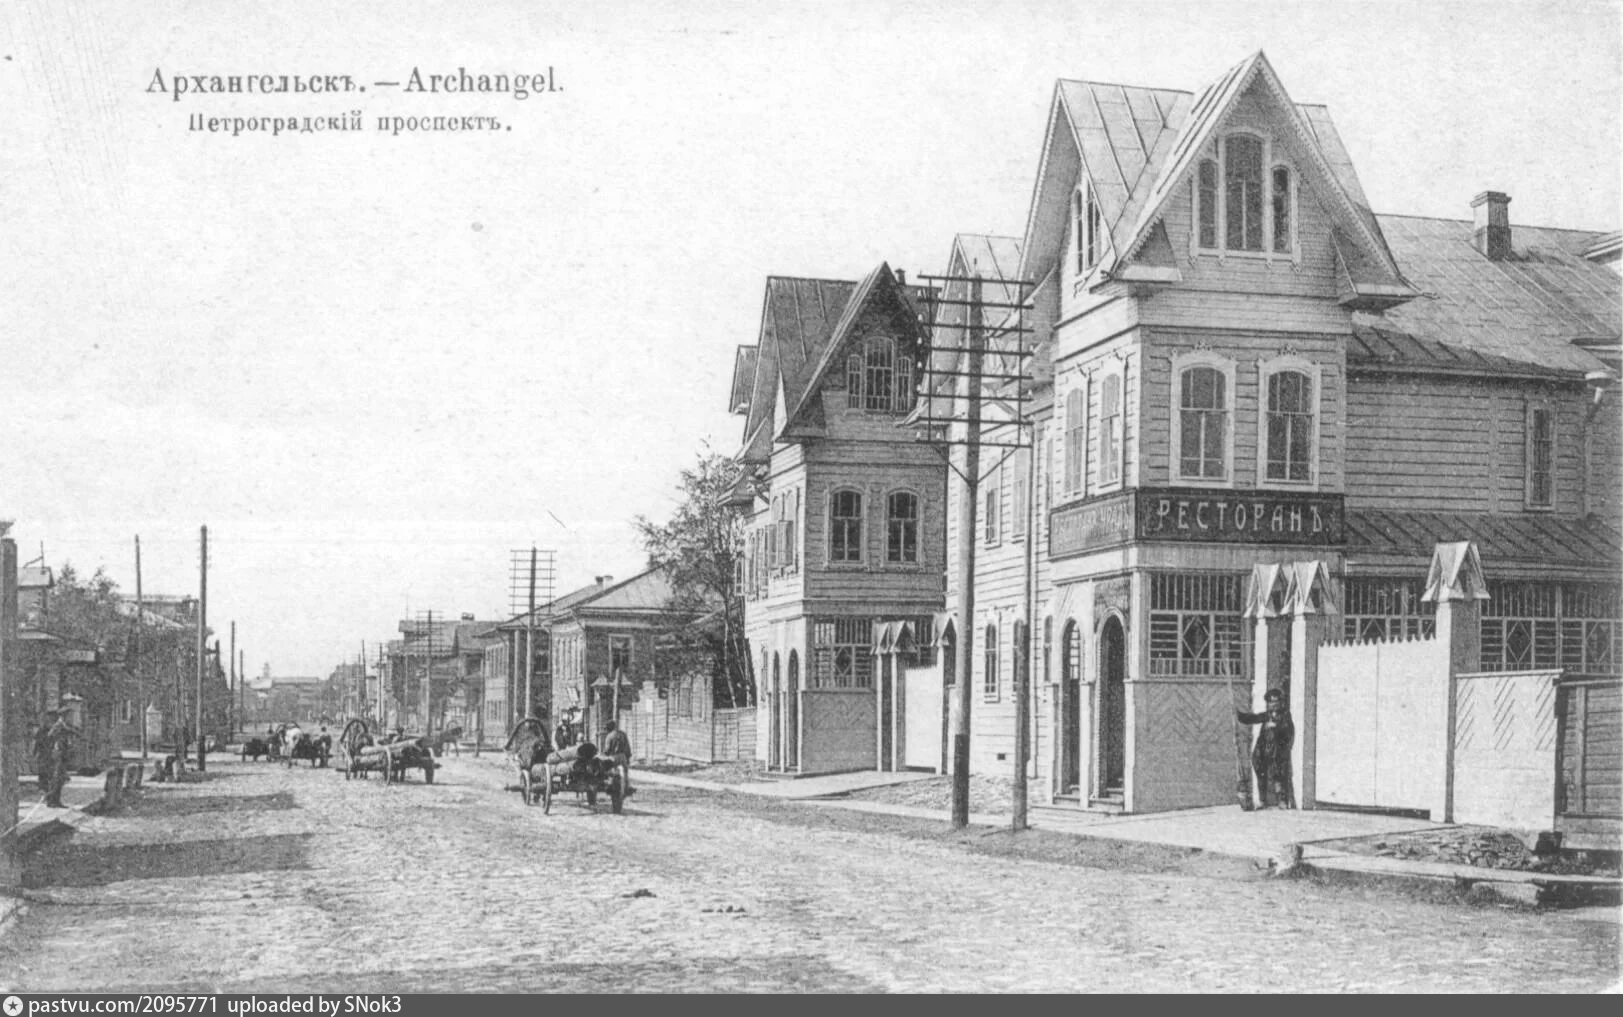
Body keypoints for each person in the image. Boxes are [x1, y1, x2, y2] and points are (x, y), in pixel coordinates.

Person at [1237, 688, 1295, 809]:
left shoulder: (1285, 716)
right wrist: (1239, 715)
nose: (1273, 704)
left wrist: (1276, 727)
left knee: (1278, 775)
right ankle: (1262, 800)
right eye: (1270, 702)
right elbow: (1253, 718)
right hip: (1263, 749)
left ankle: (1282, 800)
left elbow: (1288, 732)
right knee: (1260, 771)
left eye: (1276, 701)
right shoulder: (1266, 715)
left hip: (1277, 750)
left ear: (1281, 702)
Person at [43, 711, 75, 808]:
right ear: (64, 715)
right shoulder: (59, 725)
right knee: (56, 778)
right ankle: (50, 800)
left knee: (61, 779)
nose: (70, 717)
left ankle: (56, 800)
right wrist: (57, 742)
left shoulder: (65, 725)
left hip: (63, 753)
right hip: (58, 753)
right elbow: (50, 735)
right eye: (69, 715)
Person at [601, 720, 633, 795]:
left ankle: (610, 784)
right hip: (622, 756)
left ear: (609, 728)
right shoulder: (623, 734)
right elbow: (627, 747)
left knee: (609, 771)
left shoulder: (609, 736)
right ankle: (627, 787)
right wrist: (627, 757)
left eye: (607, 728)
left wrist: (604, 755)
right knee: (625, 772)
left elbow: (607, 750)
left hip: (613, 757)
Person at [32, 711, 57, 794]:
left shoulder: (52, 730)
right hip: (42, 754)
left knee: (50, 771)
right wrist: (34, 753)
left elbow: (55, 741)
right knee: (42, 771)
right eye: (46, 721)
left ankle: (48, 788)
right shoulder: (41, 731)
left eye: (49, 721)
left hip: (50, 754)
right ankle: (42, 787)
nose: (48, 722)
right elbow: (37, 743)